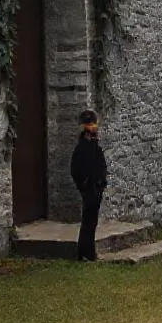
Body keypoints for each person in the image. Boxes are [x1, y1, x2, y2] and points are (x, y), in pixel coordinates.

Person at [70, 109, 108, 262]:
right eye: (90, 126)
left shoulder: (94, 146)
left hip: (96, 188)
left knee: (92, 222)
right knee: (87, 222)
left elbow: (101, 166)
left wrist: (102, 183)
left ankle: (89, 252)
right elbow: (76, 170)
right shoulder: (82, 148)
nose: (94, 128)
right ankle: (85, 252)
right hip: (89, 189)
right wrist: (84, 186)